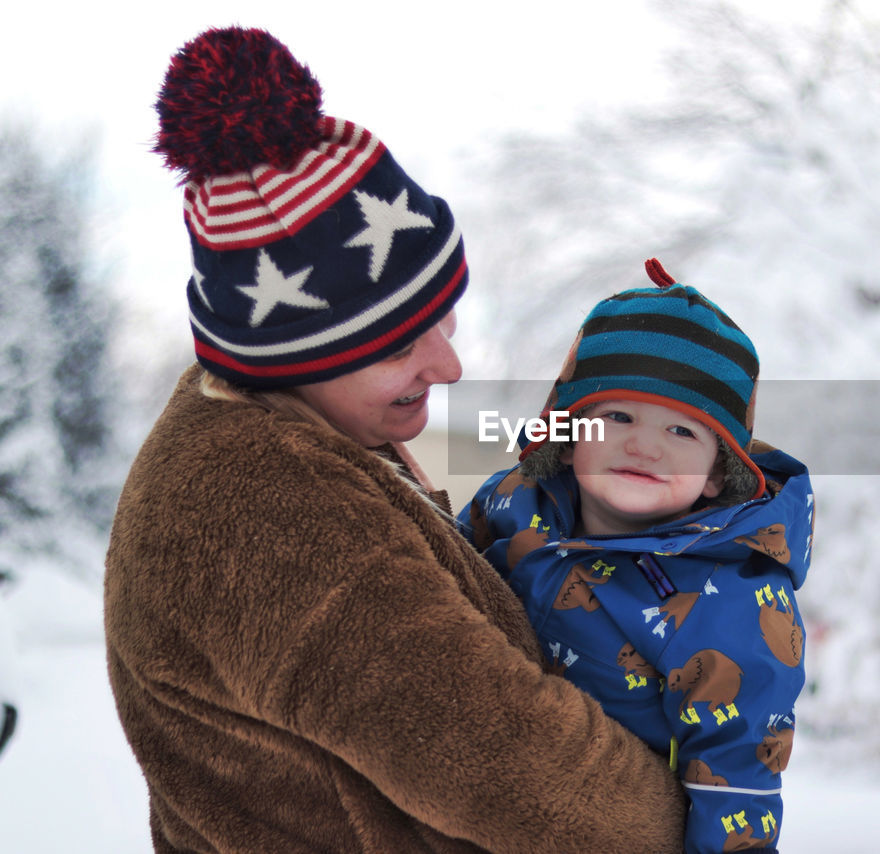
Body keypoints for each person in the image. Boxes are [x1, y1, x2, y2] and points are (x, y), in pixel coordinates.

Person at [103, 27, 686, 854]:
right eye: (400, 343)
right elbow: (530, 777)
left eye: (442, 316)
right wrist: (704, 808)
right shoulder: (267, 508)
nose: (447, 364)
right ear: (295, 354)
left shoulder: (293, 427)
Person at [460, 259, 815, 853]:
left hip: (602, 823)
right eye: (618, 416)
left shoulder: (733, 602)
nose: (644, 444)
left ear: (715, 474)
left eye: (682, 432)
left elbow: (738, 780)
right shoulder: (513, 501)